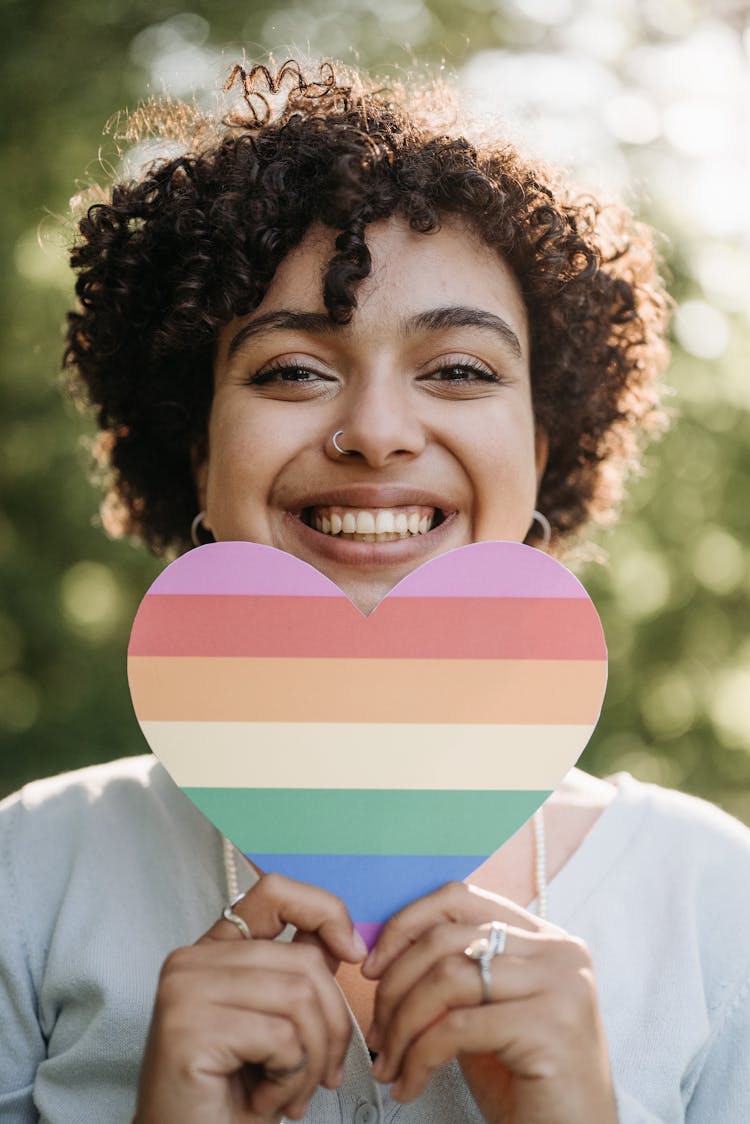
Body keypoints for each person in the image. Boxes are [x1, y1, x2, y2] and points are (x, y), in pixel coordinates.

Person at [1, 59, 749, 1124]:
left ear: (538, 453)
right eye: (294, 369)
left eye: (458, 369)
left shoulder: (719, 901)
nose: (380, 430)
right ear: (200, 459)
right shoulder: (29, 870)